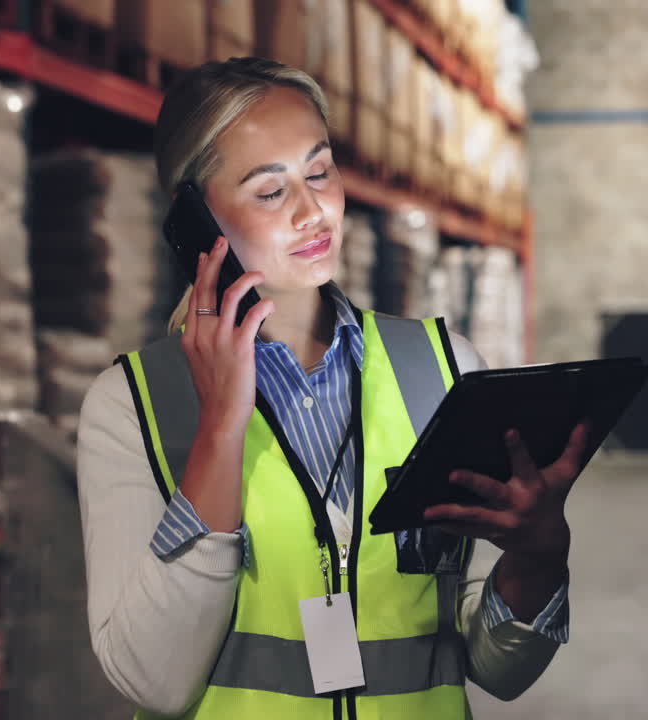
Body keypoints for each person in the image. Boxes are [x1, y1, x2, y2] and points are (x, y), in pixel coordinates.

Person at [77, 57, 586, 719]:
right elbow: (153, 680)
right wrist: (221, 429)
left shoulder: (439, 371)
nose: (312, 211)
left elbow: (498, 667)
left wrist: (539, 554)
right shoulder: (133, 407)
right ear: (195, 220)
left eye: (319, 173)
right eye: (269, 191)